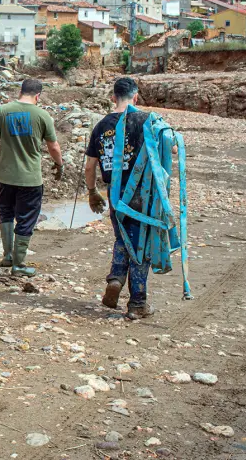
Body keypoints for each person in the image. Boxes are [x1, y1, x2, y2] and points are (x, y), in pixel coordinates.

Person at [0, 79, 64, 276]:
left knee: (6, 213)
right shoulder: (42, 115)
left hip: (5, 177)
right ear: (38, 96)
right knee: (25, 219)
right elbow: (53, 146)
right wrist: (59, 164)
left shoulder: (3, 111)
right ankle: (19, 265)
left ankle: (8, 256)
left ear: (20, 92)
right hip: (30, 179)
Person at [84, 77, 153, 320]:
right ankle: (137, 302)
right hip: (142, 192)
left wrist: (92, 192)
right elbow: (171, 148)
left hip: (115, 192)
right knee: (141, 243)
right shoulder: (146, 120)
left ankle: (116, 277)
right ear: (136, 97)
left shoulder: (101, 126)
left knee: (122, 236)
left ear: (113, 98)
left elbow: (90, 166)